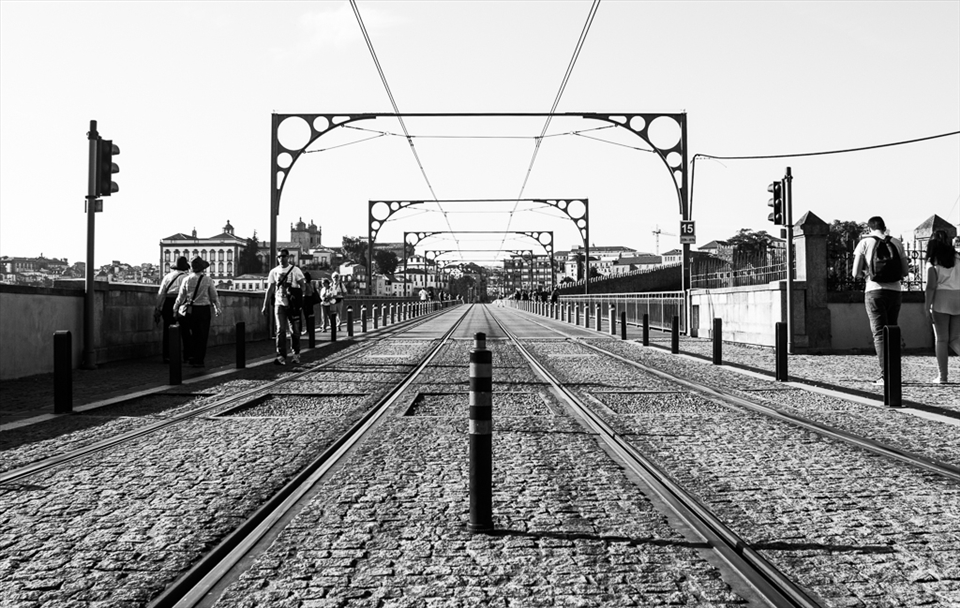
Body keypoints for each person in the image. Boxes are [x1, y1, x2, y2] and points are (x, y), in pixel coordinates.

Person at [851, 216, 909, 384]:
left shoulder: (864, 243)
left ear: (870, 228)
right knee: (892, 330)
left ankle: (886, 375)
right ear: (884, 227)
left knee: (879, 334)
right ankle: (895, 373)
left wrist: (867, 274)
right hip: (895, 291)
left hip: (874, 291)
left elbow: (855, 273)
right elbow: (905, 271)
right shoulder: (897, 243)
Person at [923, 230, 960, 384]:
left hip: (941, 299)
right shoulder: (958, 258)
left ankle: (942, 376)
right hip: (958, 297)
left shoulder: (932, 262)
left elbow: (931, 286)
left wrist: (926, 306)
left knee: (941, 339)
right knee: (955, 338)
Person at [173, 256, 221, 367]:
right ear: (203, 268)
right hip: (203, 309)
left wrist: (175, 309)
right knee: (202, 336)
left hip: (191, 310)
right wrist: (217, 308)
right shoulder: (208, 280)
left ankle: (191, 357)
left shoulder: (186, 279)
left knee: (192, 335)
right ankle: (199, 359)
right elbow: (214, 296)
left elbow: (180, 297)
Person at [262, 248, 305, 366]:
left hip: (292, 305)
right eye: (279, 256)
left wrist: (298, 299)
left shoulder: (295, 270)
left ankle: (296, 354)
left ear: (288, 257)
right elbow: (270, 289)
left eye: (284, 256)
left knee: (294, 331)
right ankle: (281, 356)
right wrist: (265, 305)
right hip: (279, 304)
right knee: (280, 330)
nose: (281, 258)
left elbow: (303, 286)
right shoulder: (274, 272)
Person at [155, 256, 190, 363]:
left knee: (168, 329)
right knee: (185, 330)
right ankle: (187, 356)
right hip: (182, 303)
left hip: (169, 302)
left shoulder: (168, 277)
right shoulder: (187, 277)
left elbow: (161, 293)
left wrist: (158, 308)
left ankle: (167, 355)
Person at [301, 271, 317, 336]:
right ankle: (311, 328)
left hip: (306, 299)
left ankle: (308, 329)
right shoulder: (311, 283)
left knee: (306, 315)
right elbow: (313, 291)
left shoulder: (305, 283)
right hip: (311, 300)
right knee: (311, 315)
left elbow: (303, 290)